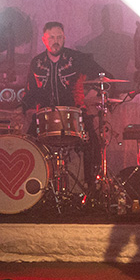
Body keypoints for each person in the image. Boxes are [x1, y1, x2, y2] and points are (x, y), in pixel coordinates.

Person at [21, 21, 104, 191]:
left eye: (59, 37)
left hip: (75, 114)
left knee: (92, 144)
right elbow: (30, 93)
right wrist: (21, 108)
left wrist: (94, 92)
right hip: (44, 116)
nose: (56, 41)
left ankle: (90, 186)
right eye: (51, 37)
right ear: (44, 39)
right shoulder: (36, 63)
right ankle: (35, 189)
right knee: (28, 146)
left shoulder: (77, 58)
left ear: (64, 38)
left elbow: (104, 77)